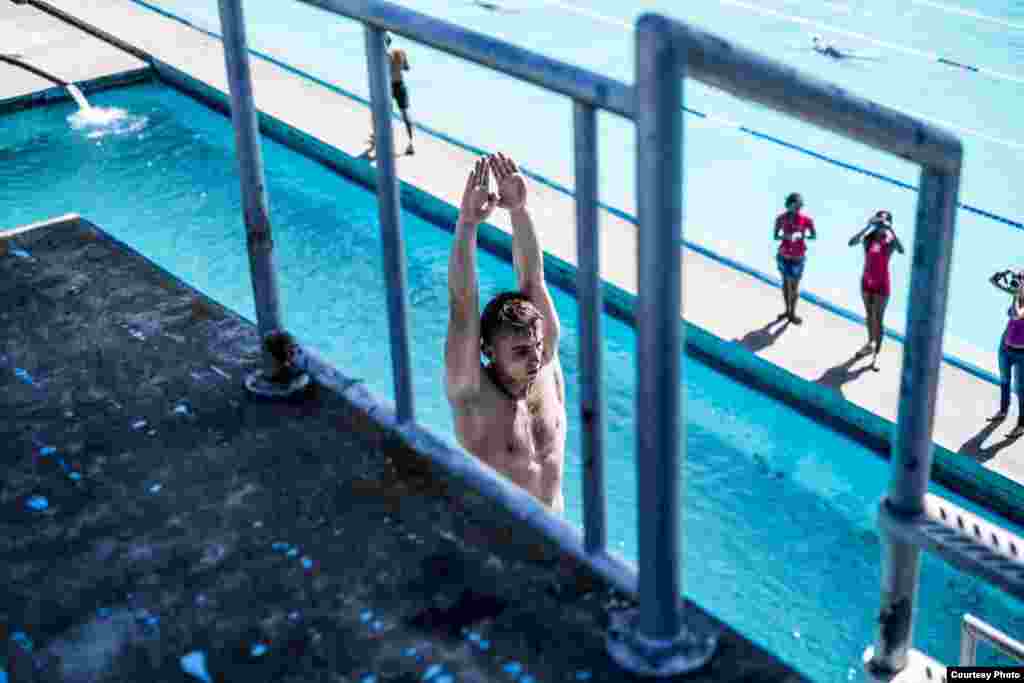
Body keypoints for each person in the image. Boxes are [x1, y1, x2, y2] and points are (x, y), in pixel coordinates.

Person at [445, 153, 566, 512]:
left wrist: (519, 210)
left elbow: (532, 280)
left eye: (536, 345)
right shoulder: (472, 394)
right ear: (488, 351)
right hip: (501, 536)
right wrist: (468, 224)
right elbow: (462, 305)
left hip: (557, 530)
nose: (536, 358)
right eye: (519, 351)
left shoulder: (547, 361)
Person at [848, 210, 904, 369]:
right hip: (867, 281)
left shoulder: (890, 241)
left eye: (884, 220)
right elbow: (851, 242)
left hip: (882, 284)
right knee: (869, 315)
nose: (881, 223)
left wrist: (890, 229)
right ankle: (870, 343)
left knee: (878, 318)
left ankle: (876, 354)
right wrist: (867, 226)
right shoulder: (869, 238)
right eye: (879, 220)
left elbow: (901, 250)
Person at [988, 268, 1024, 438]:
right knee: (1004, 381)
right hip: (1006, 349)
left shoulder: (1017, 296)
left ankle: (1021, 424)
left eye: (1021, 278)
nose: (1018, 281)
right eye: (1018, 277)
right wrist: (1001, 275)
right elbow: (992, 281)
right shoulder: (1017, 294)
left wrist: (1015, 294)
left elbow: (1017, 315)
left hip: (1021, 354)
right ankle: (1003, 411)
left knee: (1020, 389)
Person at [367, 32, 415, 157]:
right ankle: (411, 143)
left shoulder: (383, 54)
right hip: (400, 85)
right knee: (405, 114)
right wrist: (398, 65)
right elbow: (407, 68)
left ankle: (377, 138)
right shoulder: (401, 52)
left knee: (380, 113)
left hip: (388, 87)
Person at [773, 192, 816, 324]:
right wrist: (785, 236)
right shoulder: (780, 219)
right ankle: (787, 311)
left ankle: (792, 313)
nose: (798, 208)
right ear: (789, 204)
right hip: (783, 255)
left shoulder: (807, 220)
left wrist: (803, 236)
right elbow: (775, 236)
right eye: (796, 205)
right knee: (786, 284)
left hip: (798, 257)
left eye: (800, 205)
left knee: (794, 286)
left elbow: (813, 236)